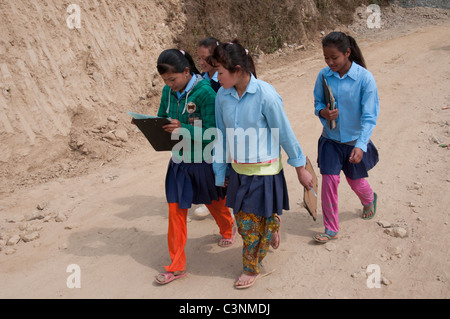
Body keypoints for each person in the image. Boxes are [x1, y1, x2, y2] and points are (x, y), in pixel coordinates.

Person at [210, 40, 313, 288]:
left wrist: (300, 167)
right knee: (245, 222)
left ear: (237, 70)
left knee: (250, 227)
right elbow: (221, 135)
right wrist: (220, 171)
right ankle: (272, 223)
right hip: (238, 172)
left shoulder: (266, 95)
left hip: (265, 173)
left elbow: (284, 133)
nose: (216, 76)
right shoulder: (222, 96)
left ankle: (250, 267)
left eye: (220, 72)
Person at [150, 49, 236, 284]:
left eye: (173, 79)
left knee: (214, 202)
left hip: (204, 161)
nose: (169, 85)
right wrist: (155, 127)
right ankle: (176, 265)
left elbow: (212, 133)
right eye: (166, 81)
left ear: (187, 72)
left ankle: (228, 229)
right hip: (179, 161)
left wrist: (184, 129)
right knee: (175, 210)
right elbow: (162, 117)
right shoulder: (168, 92)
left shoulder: (206, 93)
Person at [312, 32, 380, 244]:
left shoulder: (364, 78)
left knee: (357, 183)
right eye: (326, 58)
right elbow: (317, 102)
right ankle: (331, 228)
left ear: (347, 53)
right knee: (330, 181)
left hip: (353, 143)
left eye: (335, 57)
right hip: (330, 141)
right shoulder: (323, 75)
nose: (330, 62)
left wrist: (361, 145)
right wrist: (323, 112)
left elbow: (369, 117)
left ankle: (370, 199)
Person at [194, 37, 222, 219]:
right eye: (199, 58)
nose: (202, 62)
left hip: (223, 128)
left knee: (222, 165)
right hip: (207, 128)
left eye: (206, 58)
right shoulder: (200, 80)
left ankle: (225, 204)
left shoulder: (223, 77)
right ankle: (210, 201)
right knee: (208, 164)